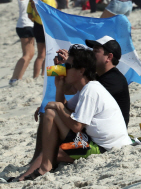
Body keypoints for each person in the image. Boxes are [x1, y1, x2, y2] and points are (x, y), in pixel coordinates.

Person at [14, 45, 131, 181]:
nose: (64, 70)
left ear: (81, 71)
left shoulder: (91, 90)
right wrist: (60, 87)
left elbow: (76, 126)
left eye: (67, 66)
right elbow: (63, 111)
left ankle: (44, 168)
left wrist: (57, 106)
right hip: (97, 144)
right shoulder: (86, 89)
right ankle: (40, 168)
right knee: (51, 114)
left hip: (104, 149)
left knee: (51, 114)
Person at [6, 0, 34, 86]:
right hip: (24, 25)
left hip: (26, 25)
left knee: (30, 54)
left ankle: (17, 78)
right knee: (27, 54)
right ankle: (15, 79)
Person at [27, 0, 57, 78]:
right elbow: (50, 13)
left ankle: (36, 76)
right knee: (52, 52)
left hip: (37, 26)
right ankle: (46, 74)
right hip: (48, 26)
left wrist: (37, 20)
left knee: (41, 54)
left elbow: (29, 15)